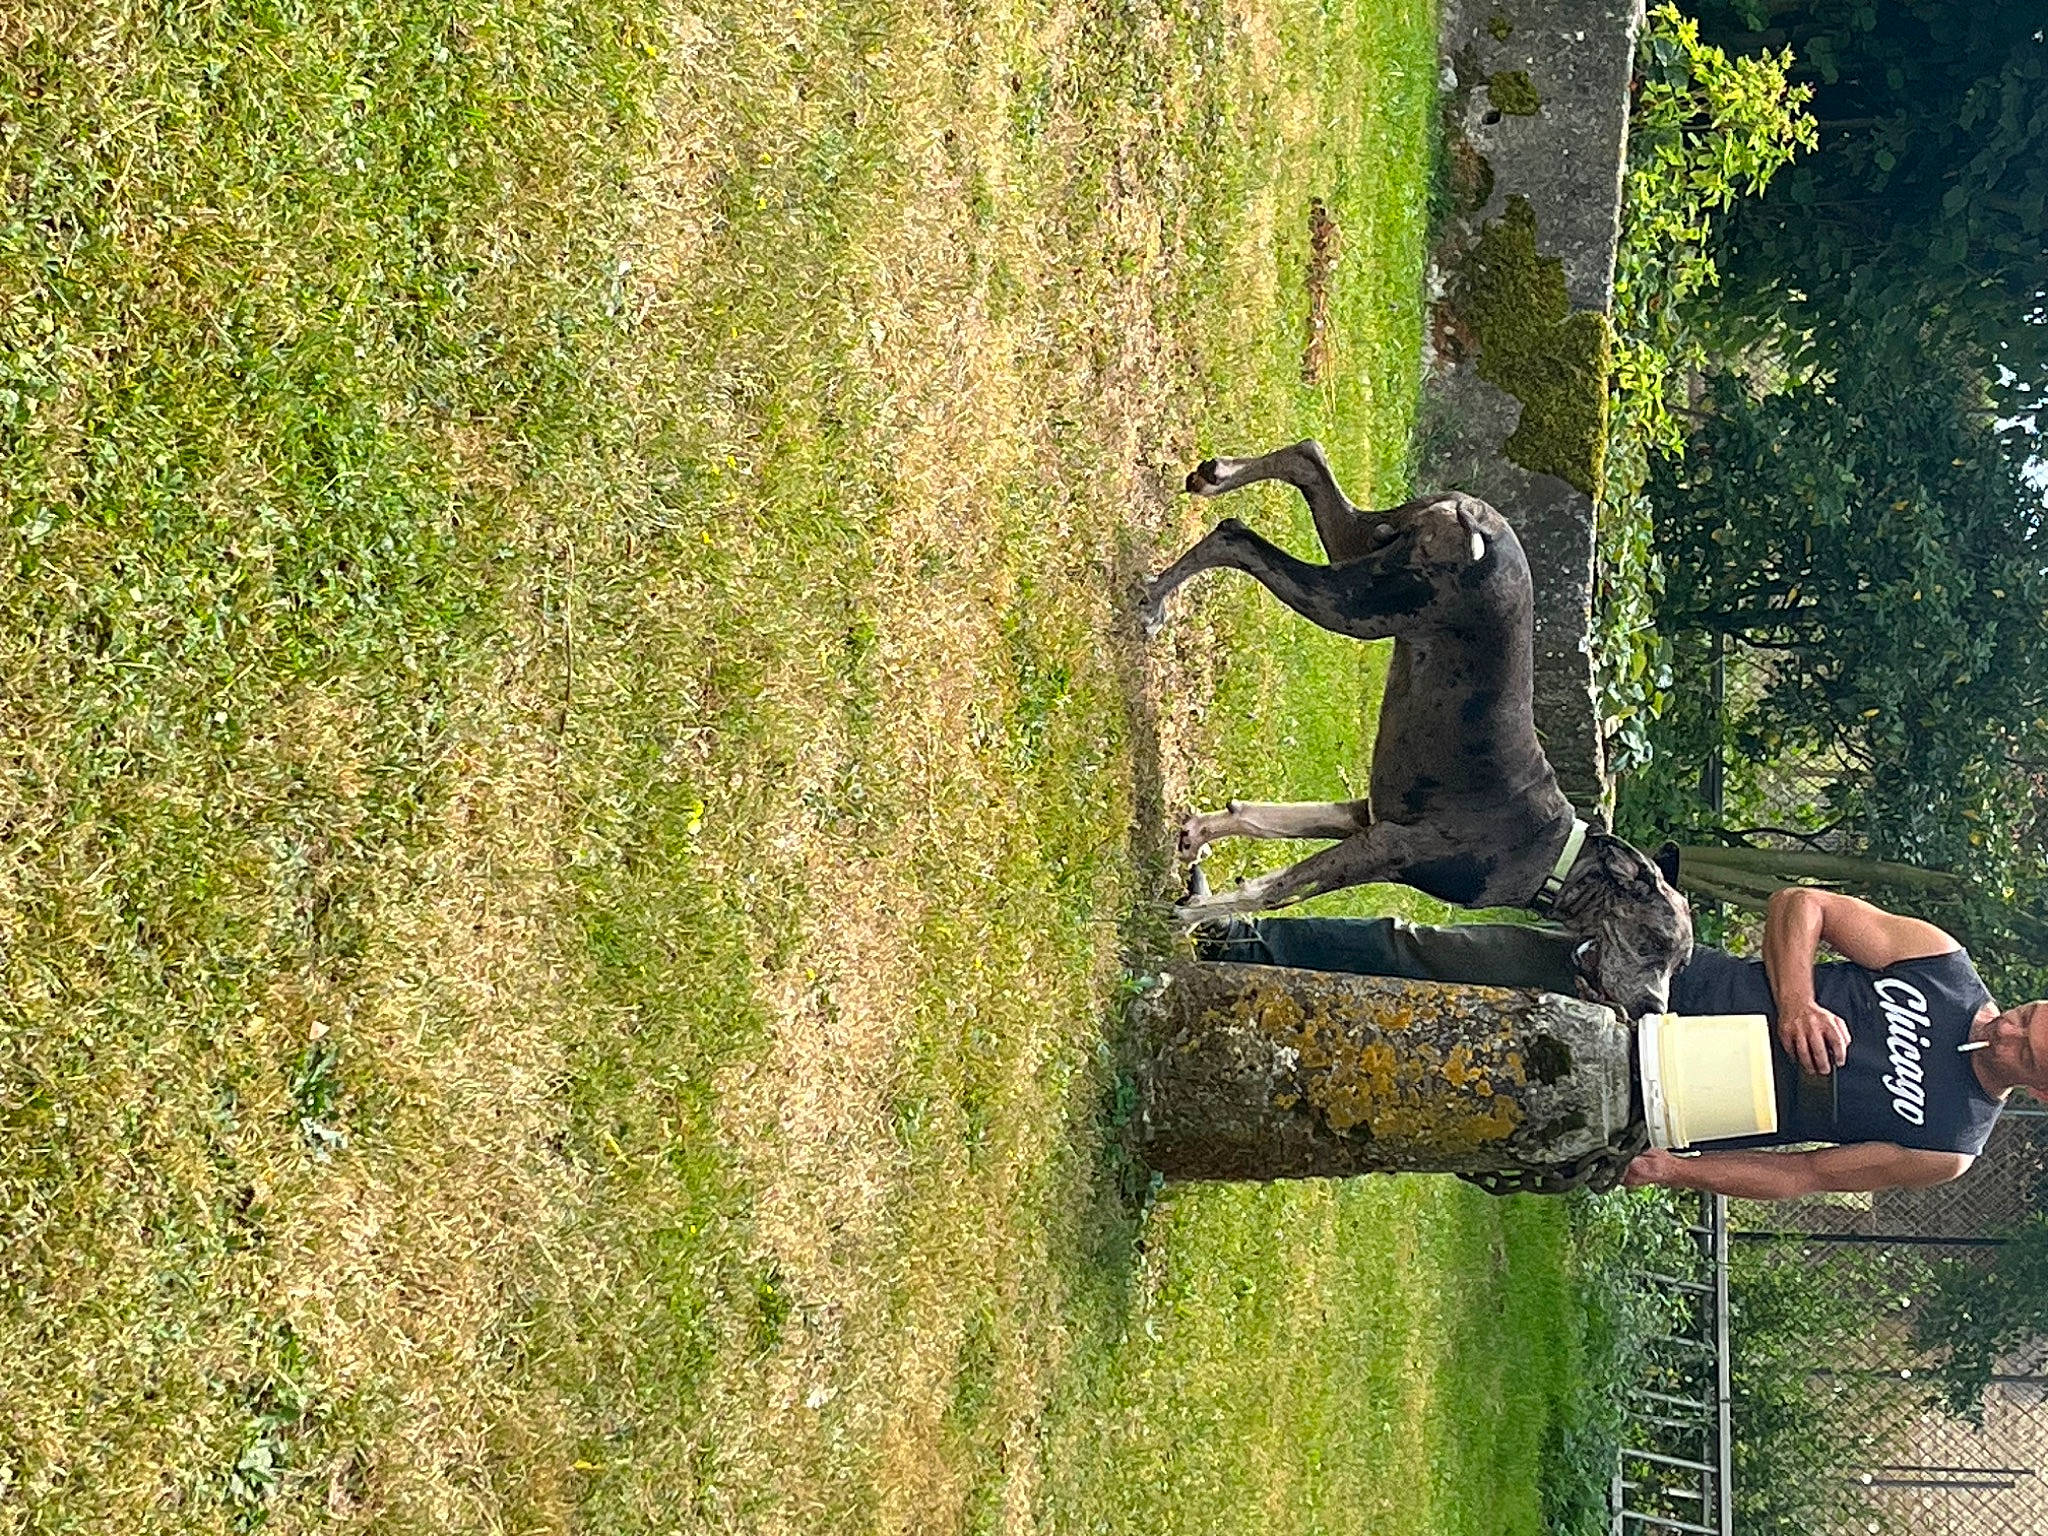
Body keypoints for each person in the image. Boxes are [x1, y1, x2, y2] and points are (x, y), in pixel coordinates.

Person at [1195, 886, 2048, 1199]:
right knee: (1434, 954)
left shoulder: (1948, 1146)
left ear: (2040, 1091)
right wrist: (1795, 1000)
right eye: (2029, 1012)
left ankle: (1236, 1079)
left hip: (1639, 1104)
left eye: (2027, 1048)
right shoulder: (1941, 965)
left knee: (1430, 1108)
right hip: (1639, 984)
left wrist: (1674, 1169)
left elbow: (1808, 1173)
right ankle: (1240, 949)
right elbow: (1805, 906)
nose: (2006, 1025)